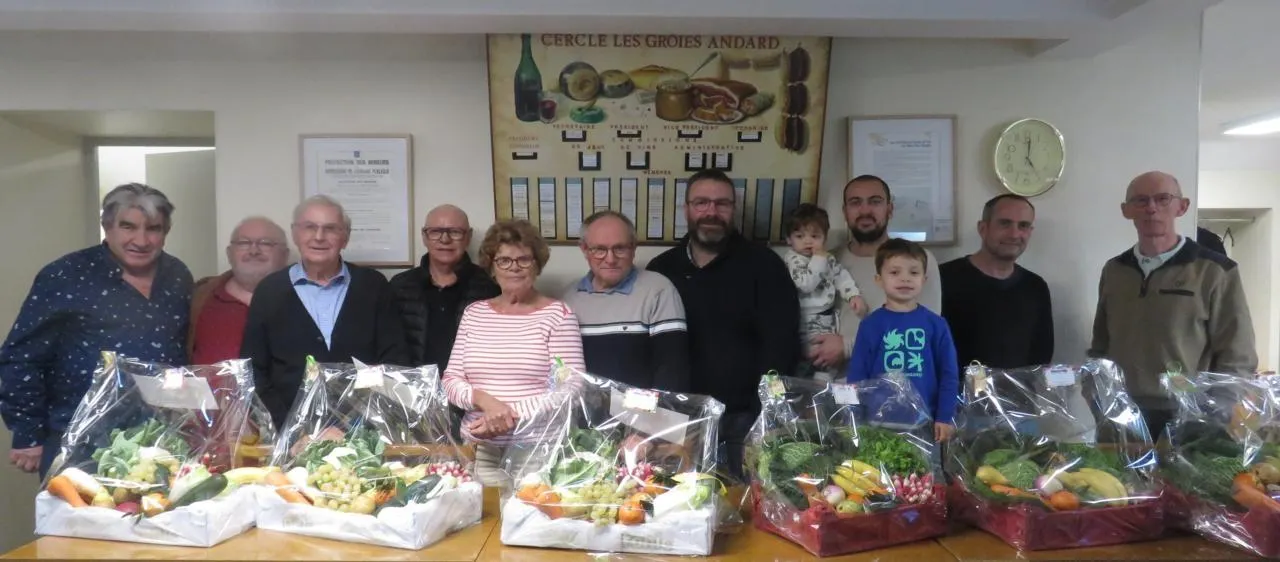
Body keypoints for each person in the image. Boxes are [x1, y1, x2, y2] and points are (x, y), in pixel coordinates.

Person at [1, 183, 193, 478]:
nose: (141, 240)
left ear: (166, 231)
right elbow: (21, 357)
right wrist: (28, 434)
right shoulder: (66, 275)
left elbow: (181, 350)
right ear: (107, 225)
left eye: (153, 228)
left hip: (160, 440)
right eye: (128, 226)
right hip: (79, 441)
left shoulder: (177, 275)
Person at [647, 169, 800, 481]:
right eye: (701, 203)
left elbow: (782, 347)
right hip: (676, 422)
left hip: (743, 423)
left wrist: (764, 419)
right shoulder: (661, 269)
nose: (711, 212)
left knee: (743, 505)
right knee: (671, 504)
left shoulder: (765, 265)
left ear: (734, 209)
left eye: (722, 204)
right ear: (686, 209)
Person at [1089, 171, 1257, 437]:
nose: (1151, 208)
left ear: (1182, 207)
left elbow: (1238, 355)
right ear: (1126, 210)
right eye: (1141, 200)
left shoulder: (1215, 271)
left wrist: (1215, 413)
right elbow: (1101, 345)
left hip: (1190, 417)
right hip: (1121, 415)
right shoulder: (1114, 270)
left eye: (1163, 199)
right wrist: (1097, 398)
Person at [441, 219, 586, 487]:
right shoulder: (475, 314)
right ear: (492, 267)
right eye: (504, 260)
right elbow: (450, 380)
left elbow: (571, 387)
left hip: (536, 448)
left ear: (537, 265)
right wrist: (484, 401)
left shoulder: (558, 315)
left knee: (529, 513)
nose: (514, 267)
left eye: (524, 260)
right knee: (478, 513)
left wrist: (508, 415)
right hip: (477, 446)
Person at [240, 195, 407, 428]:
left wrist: (359, 428)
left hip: (364, 431)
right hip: (289, 433)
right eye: (310, 227)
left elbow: (395, 363)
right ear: (295, 234)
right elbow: (253, 372)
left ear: (345, 238)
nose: (319, 236)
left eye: (330, 229)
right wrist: (291, 429)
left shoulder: (374, 286)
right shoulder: (269, 291)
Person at [809, 175, 943, 379]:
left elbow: (922, 332)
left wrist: (847, 347)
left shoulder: (918, 261)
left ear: (890, 209)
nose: (865, 211)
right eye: (855, 203)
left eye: (875, 201)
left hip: (894, 388)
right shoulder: (825, 262)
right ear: (845, 212)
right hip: (831, 388)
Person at [389, 205, 499, 439]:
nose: (445, 239)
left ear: (468, 237)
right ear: (424, 236)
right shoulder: (399, 286)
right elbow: (389, 349)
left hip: (471, 408)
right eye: (436, 231)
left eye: (455, 232)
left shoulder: (490, 287)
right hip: (410, 405)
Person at [562, 210, 690, 391]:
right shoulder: (569, 298)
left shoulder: (658, 290)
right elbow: (563, 370)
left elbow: (671, 370)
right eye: (600, 249)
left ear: (633, 248)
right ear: (584, 249)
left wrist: (647, 408)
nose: (611, 259)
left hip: (641, 408)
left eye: (620, 248)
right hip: (583, 407)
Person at [846, 238, 958, 443]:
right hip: (876, 425)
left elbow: (949, 375)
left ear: (924, 279)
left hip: (926, 425)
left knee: (923, 467)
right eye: (895, 272)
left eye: (913, 272)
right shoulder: (870, 325)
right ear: (879, 279)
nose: (905, 279)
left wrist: (945, 416)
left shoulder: (937, 325)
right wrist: (854, 418)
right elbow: (857, 377)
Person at [940, 194, 1053, 369]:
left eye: (1023, 226)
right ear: (983, 228)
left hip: (1020, 388)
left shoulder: (1036, 287)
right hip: (953, 387)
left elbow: (1041, 358)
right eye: (1005, 223)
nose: (1014, 234)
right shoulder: (942, 279)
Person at [189, 216, 289, 364]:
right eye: (243, 243)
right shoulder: (200, 297)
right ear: (229, 254)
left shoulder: (302, 301)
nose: (254, 251)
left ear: (285, 255)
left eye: (265, 243)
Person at [783, 203, 867, 381]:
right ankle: (805, 386)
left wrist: (853, 295)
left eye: (815, 236)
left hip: (828, 318)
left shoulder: (827, 258)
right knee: (812, 355)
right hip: (806, 320)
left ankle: (823, 386)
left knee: (829, 361)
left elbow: (840, 276)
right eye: (800, 236)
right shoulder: (793, 261)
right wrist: (819, 259)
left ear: (824, 238)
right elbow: (806, 284)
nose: (808, 241)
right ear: (789, 239)